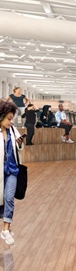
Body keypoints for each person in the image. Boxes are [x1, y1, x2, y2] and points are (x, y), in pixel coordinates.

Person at [1, 101, 24, 246]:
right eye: (9, 118)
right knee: (2, 199)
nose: (11, 121)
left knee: (9, 197)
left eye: (12, 119)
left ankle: (6, 229)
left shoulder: (13, 130)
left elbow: (19, 149)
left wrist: (20, 143)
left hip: (12, 170)